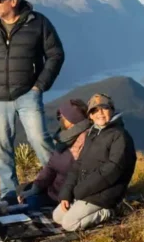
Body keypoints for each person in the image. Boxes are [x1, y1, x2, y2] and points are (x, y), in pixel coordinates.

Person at [0, 0, 66, 205]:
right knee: (1, 146)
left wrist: (40, 85)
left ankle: (58, 186)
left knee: (40, 139)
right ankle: (9, 192)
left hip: (28, 94)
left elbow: (56, 54)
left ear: (14, 1)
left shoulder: (38, 22)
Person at [55, 93, 137, 232]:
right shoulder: (92, 133)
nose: (100, 113)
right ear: (90, 116)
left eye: (104, 108)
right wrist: (67, 192)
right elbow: (78, 164)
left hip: (106, 192)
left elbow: (113, 169)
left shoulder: (120, 136)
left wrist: (81, 190)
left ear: (112, 110)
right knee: (57, 217)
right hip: (86, 189)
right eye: (94, 110)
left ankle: (110, 211)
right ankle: (83, 206)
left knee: (69, 224)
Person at [17, 98, 91, 211]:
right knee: (20, 191)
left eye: (62, 117)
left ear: (72, 119)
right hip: (53, 189)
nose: (59, 119)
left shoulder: (84, 140)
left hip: (65, 195)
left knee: (27, 204)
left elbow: (72, 170)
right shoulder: (65, 137)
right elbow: (51, 167)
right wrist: (35, 188)